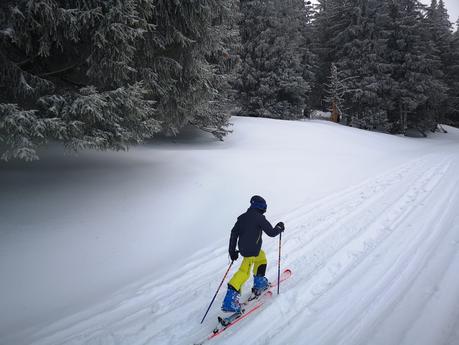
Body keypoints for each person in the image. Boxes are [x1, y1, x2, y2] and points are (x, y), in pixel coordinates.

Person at [221, 195, 285, 313]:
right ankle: (229, 302)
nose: (265, 209)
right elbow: (271, 232)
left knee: (262, 258)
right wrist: (279, 228)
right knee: (243, 273)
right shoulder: (259, 218)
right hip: (251, 251)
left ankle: (259, 283)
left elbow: (233, 234)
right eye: (265, 207)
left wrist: (232, 251)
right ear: (261, 207)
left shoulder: (242, 218)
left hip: (248, 249)